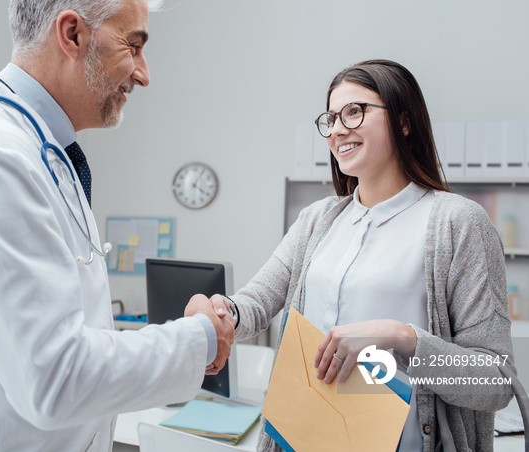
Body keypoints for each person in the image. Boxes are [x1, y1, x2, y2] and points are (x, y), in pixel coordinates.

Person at [0, 1, 234, 451]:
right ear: (72, 34)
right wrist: (198, 338)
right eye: (132, 46)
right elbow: (56, 377)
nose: (143, 73)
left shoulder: (46, 154)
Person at [218, 59, 514, 452]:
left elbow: (494, 381)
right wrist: (220, 313)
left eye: (355, 112)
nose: (338, 129)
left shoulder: (458, 223)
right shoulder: (318, 220)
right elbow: (255, 303)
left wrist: (402, 338)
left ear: (405, 122)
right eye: (331, 118)